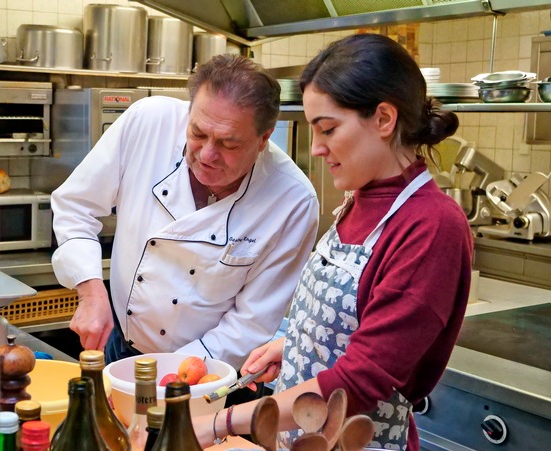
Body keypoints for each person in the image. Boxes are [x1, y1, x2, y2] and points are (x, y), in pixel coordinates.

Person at [194, 33, 473, 451]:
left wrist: (223, 421)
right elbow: (356, 325)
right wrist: (298, 344)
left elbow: (361, 380)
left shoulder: (432, 227)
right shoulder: (358, 200)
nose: (318, 149)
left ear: (383, 119)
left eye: (327, 129)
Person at [51, 54, 319, 368]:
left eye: (228, 144)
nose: (207, 154)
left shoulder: (292, 201)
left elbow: (250, 324)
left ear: (263, 139)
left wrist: (168, 377)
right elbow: (75, 205)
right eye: (198, 133)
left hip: (210, 370)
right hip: (122, 347)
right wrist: (91, 291)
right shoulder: (148, 122)